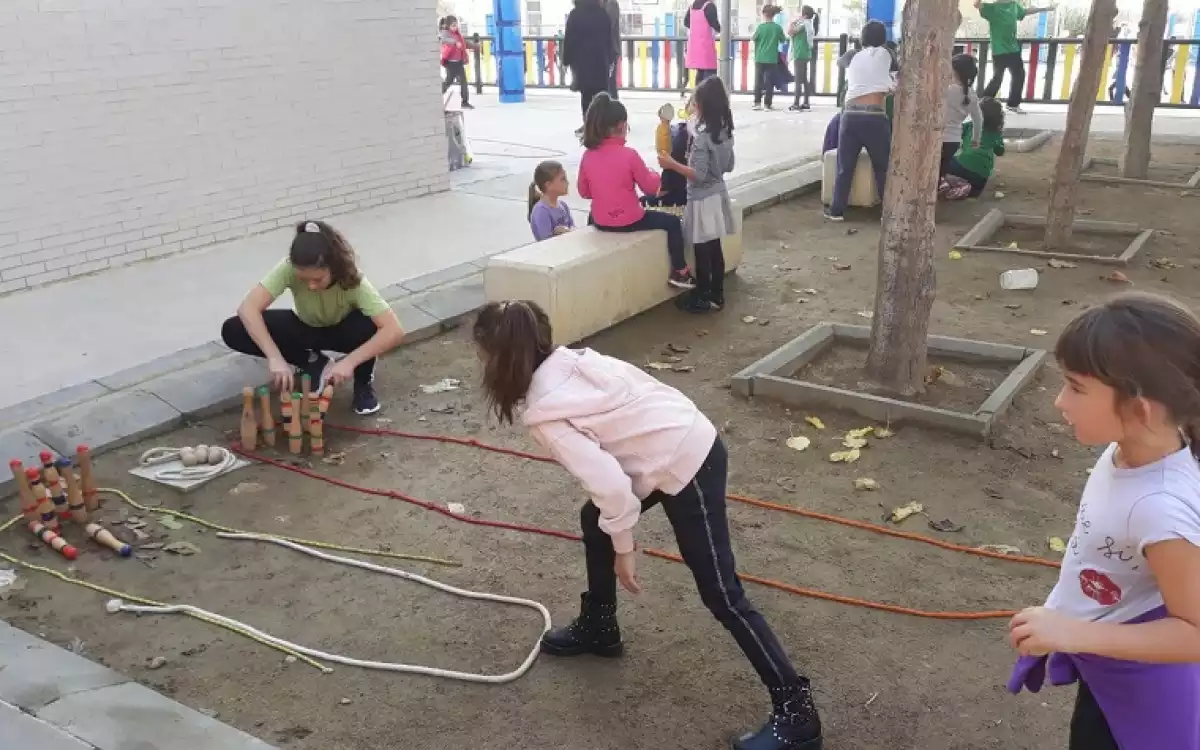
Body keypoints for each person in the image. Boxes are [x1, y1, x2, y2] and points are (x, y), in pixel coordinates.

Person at [472, 299, 824, 750]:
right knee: (592, 519)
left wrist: (625, 547)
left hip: (687, 461)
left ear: (496, 357)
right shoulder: (577, 360)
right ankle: (600, 626)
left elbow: (613, 488)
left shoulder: (546, 412)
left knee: (721, 592)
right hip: (679, 437)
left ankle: (798, 714)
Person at [1007, 293, 1200, 750]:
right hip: (1109, 658)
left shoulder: (1160, 507)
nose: (1059, 401)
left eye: (1075, 387)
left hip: (1140, 697)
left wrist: (1074, 631)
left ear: (1140, 409)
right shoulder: (1131, 450)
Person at [220, 221, 405, 416]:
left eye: (317, 279)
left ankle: (363, 382)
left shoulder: (353, 279)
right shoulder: (287, 268)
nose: (311, 287)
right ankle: (313, 362)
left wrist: (349, 362)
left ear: (333, 268)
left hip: (343, 332)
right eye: (303, 280)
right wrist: (275, 358)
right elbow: (248, 308)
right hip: (305, 327)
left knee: (372, 326)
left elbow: (394, 330)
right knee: (234, 329)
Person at [578, 93, 695, 289]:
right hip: (631, 220)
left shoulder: (587, 156)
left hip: (600, 221)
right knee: (673, 223)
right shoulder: (629, 155)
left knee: (594, 214)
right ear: (622, 126)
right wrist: (655, 175)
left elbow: (584, 192)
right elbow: (651, 188)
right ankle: (680, 271)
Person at [658, 76, 736, 313]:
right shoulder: (724, 131)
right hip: (718, 194)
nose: (692, 106)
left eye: (695, 102)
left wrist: (672, 164)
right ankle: (717, 294)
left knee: (702, 249)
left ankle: (703, 295)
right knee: (715, 248)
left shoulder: (702, 138)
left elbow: (698, 175)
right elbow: (729, 165)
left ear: (702, 106)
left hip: (702, 199)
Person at [824, 20, 897, 221]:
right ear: (883, 38)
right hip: (874, 116)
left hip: (850, 116)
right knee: (882, 167)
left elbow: (840, 62)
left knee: (844, 166)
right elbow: (896, 74)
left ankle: (836, 210)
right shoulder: (888, 53)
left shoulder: (852, 55)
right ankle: (888, 213)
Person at [976, 0, 1054, 114]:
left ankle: (1013, 104)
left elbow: (1025, 11)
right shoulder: (992, 8)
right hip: (999, 49)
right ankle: (983, 102)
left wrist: (1044, 8)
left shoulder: (1014, 5)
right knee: (997, 78)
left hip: (1013, 48)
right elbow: (977, 5)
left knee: (1019, 75)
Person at [941, 97, 1005, 200]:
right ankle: (967, 188)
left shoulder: (970, 126)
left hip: (961, 165)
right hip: (981, 176)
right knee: (976, 191)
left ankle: (945, 182)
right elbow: (1000, 151)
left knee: (942, 164)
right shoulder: (996, 134)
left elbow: (953, 133)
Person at [563, 0, 616, 122]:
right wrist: (611, 59)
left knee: (586, 96)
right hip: (600, 62)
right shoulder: (602, 14)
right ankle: (601, 126)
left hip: (582, 64)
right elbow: (609, 39)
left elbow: (569, 40)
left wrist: (566, 60)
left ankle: (588, 126)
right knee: (601, 96)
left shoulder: (575, 14)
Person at [941, 54, 983, 177]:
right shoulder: (972, 95)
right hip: (953, 141)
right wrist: (975, 139)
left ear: (955, 71)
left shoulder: (946, 90)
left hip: (938, 138)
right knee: (942, 169)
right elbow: (978, 119)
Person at [528, 161, 576, 242]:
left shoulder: (563, 206)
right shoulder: (541, 211)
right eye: (563, 179)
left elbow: (573, 228)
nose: (567, 183)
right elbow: (546, 242)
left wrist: (567, 231)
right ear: (548, 185)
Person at [752, 5, 786, 111]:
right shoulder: (777, 28)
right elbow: (783, 40)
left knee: (758, 82)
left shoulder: (760, 27)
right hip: (771, 59)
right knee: (769, 82)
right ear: (773, 15)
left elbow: (754, 38)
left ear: (764, 14)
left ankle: (757, 103)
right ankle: (767, 104)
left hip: (759, 58)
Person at [439, 15, 477, 110]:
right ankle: (436, 96)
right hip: (451, 64)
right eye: (453, 25)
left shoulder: (458, 34)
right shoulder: (445, 33)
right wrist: (454, 42)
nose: (455, 27)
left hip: (459, 63)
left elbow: (464, 43)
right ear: (448, 26)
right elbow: (444, 39)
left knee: (464, 82)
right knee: (448, 82)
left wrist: (475, 46)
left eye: (456, 25)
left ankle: (465, 102)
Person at [683, 0, 721, 90]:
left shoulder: (692, 6)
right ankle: (708, 101)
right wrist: (724, 31)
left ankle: (697, 98)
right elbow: (715, 24)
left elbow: (686, 22)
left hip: (695, 46)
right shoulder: (709, 6)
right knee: (710, 77)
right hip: (706, 46)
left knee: (700, 74)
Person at [787, 7, 817, 111]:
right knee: (803, 79)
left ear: (804, 14)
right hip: (806, 54)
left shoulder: (803, 24)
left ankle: (796, 103)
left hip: (799, 54)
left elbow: (790, 32)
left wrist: (793, 21)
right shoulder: (808, 24)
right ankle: (806, 103)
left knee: (798, 80)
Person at [602, 0, 622, 98]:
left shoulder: (611, 4)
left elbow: (608, 24)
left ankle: (613, 109)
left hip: (609, 51)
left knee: (610, 84)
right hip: (603, 49)